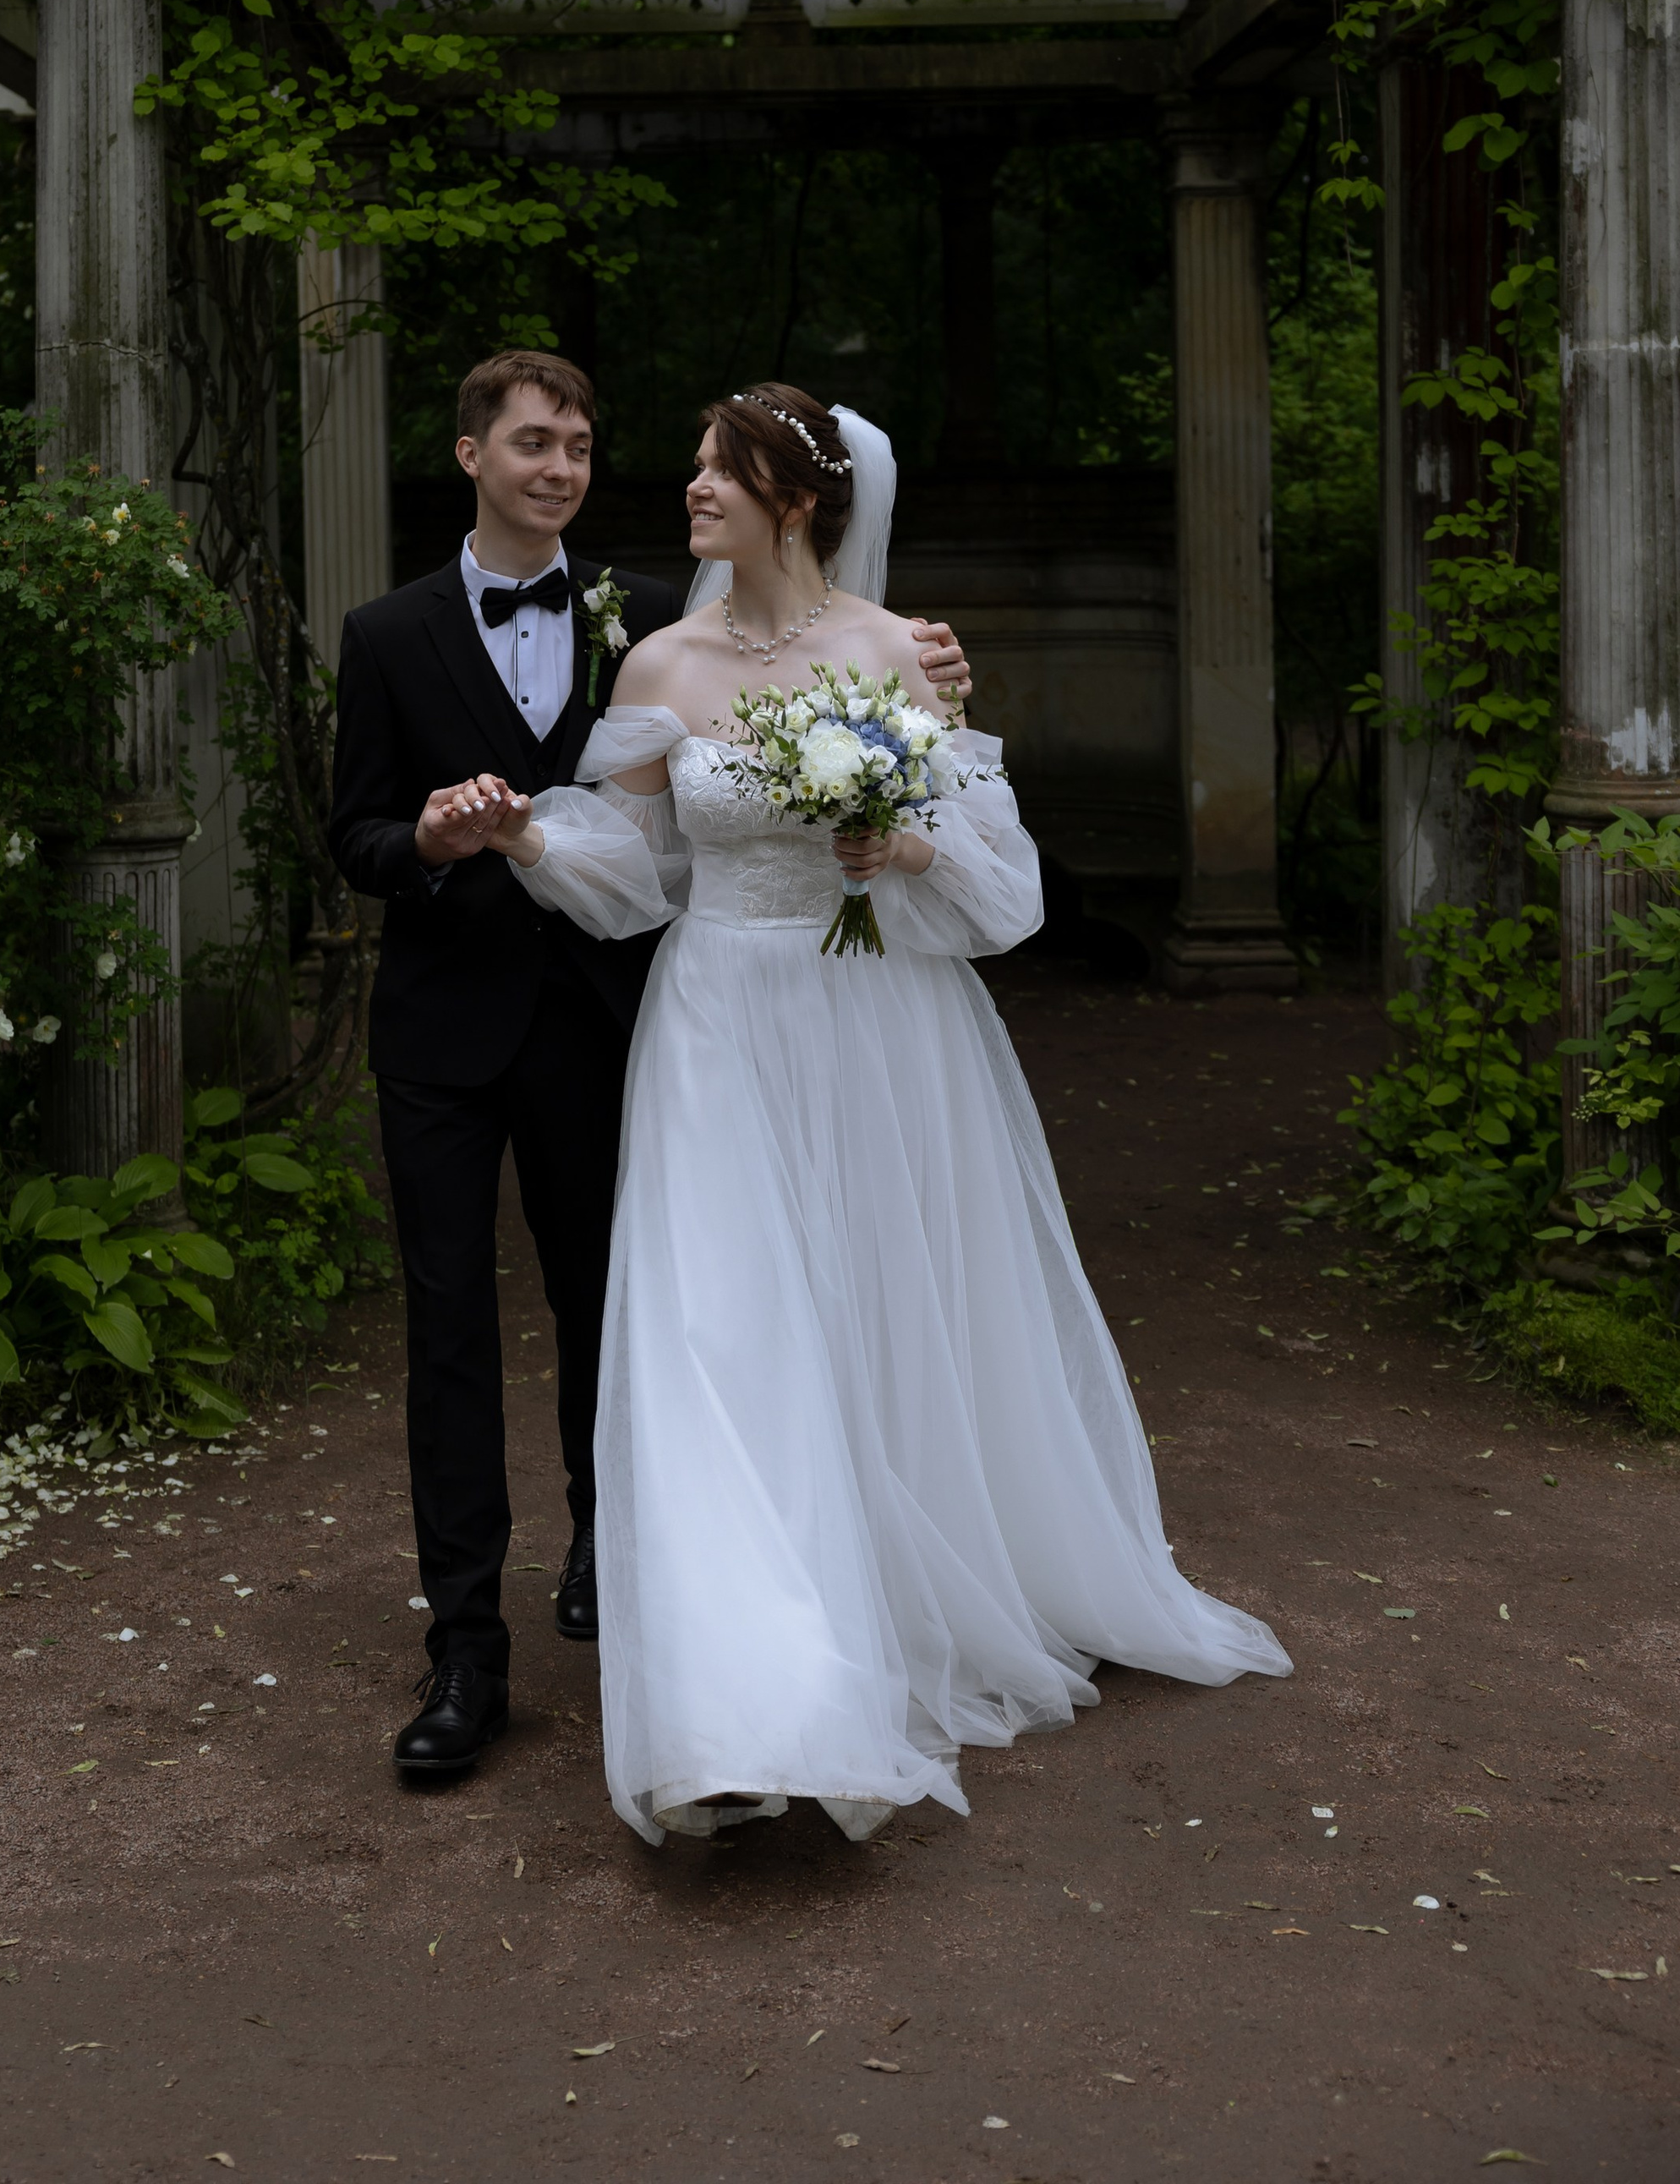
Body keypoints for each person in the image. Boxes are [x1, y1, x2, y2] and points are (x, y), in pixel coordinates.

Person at [479, 380, 1291, 1845]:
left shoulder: (902, 658)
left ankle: (894, 1602)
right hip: (716, 1020)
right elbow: (642, 873)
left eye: (716, 472)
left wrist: (903, 844)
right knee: (715, 1335)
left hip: (877, 1025)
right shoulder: (657, 665)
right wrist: (535, 835)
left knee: (877, 1317)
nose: (689, 493)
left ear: (793, 500)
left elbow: (1002, 894)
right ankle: (747, 1709)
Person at [328, 350, 973, 1781]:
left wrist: (921, 733)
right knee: (450, 1332)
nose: (563, 467)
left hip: (612, 1021)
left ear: (792, 502)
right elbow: (355, 834)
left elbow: (848, 781)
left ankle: (622, 1565)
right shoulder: (390, 635)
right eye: (535, 444)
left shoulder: (646, 609)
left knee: (634, 1313)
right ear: (471, 455)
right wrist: (442, 842)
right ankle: (466, 1653)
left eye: (580, 445)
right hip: (450, 1028)